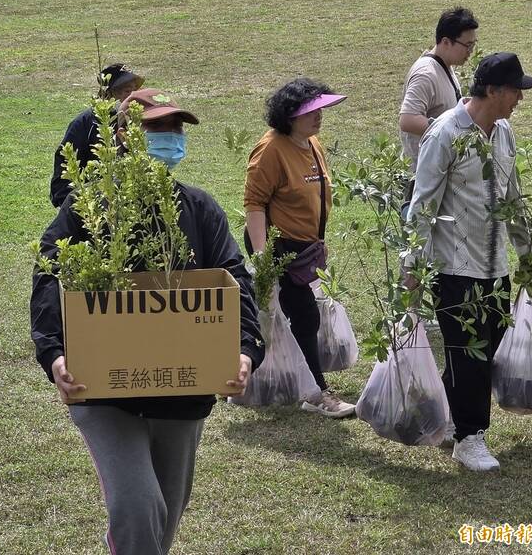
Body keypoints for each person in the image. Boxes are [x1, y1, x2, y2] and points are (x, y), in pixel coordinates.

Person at [31, 88, 264, 555]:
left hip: (182, 392)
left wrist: (245, 351)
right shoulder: (90, 212)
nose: (170, 138)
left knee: (165, 513)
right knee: (137, 506)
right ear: (121, 137)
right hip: (105, 393)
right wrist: (55, 354)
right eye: (156, 128)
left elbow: (235, 278)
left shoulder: (199, 209)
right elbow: (49, 273)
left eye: (175, 129)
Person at [405, 52, 532, 471]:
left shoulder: (503, 132)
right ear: (494, 90)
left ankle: (445, 414)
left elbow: (512, 197)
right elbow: (423, 202)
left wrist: (527, 256)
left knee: (489, 345)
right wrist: (412, 264)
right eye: (516, 90)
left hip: (494, 266)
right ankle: (469, 437)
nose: (520, 97)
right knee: (469, 353)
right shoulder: (445, 133)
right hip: (455, 266)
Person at [244, 77, 355, 419]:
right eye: (311, 111)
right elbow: (254, 204)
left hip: (306, 249)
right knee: (305, 316)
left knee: (301, 316)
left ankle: (271, 375)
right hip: (281, 249)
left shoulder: (311, 143)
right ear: (289, 115)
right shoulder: (271, 150)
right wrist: (264, 258)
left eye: (320, 109)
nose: (319, 116)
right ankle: (316, 392)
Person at [49, 63, 143, 208]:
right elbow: (65, 164)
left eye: (135, 91)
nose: (133, 97)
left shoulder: (138, 120)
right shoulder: (86, 123)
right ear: (110, 94)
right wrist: (67, 204)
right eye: (127, 91)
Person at [399, 7, 479, 174]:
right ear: (446, 42)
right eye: (467, 45)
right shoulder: (426, 74)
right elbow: (407, 120)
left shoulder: (444, 65)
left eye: (473, 45)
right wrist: (452, 131)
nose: (470, 51)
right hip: (425, 175)